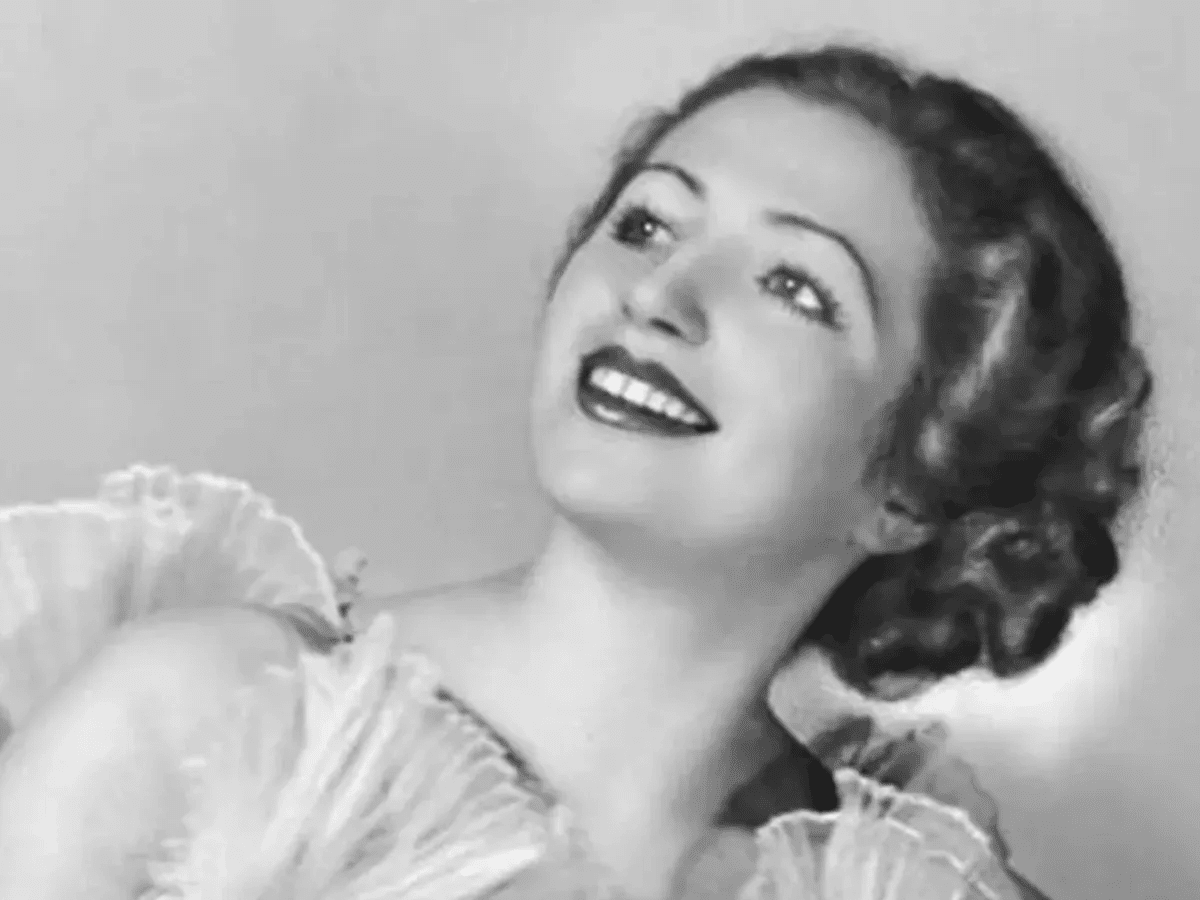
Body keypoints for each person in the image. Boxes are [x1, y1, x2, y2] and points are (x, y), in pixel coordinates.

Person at [0, 40, 1149, 900]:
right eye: (646, 226)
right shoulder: (197, 720)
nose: (659, 296)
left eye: (795, 287)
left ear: (911, 488)